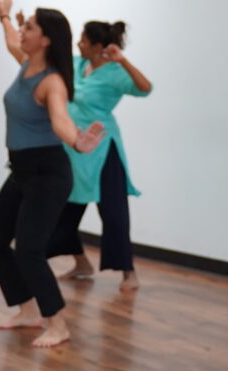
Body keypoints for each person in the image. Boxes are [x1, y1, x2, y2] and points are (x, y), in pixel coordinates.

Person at [0, 0, 104, 349]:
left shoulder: (52, 81)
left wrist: (77, 142)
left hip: (47, 173)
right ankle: (26, 311)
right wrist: (3, 16)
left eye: (29, 26)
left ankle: (58, 323)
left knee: (29, 249)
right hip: (21, 171)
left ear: (46, 38)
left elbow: (61, 120)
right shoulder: (26, 63)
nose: (22, 29)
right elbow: (9, 39)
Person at [47, 20, 153, 291]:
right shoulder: (78, 65)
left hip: (104, 149)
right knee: (65, 208)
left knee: (113, 211)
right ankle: (81, 262)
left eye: (83, 41)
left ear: (97, 46)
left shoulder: (116, 74)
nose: (78, 44)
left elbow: (145, 88)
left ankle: (129, 273)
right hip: (74, 147)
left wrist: (123, 60)